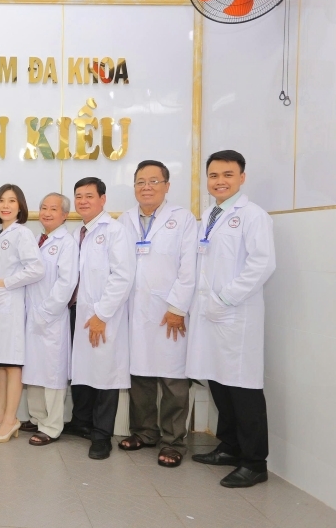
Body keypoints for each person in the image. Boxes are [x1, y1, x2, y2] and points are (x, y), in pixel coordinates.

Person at [186, 150, 276, 488]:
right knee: (219, 383)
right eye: (213, 175)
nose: (219, 181)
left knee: (243, 388)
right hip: (210, 314)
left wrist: (225, 298)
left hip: (236, 314)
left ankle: (254, 463)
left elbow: (262, 264)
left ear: (242, 177)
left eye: (227, 174)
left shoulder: (253, 216)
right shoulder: (210, 215)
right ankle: (230, 447)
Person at [117, 160, 197, 467]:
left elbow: (189, 268)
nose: (146, 187)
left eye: (153, 181)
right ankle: (144, 433)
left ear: (166, 186)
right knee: (140, 376)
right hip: (134, 310)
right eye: (140, 182)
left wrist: (177, 308)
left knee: (173, 378)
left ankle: (173, 441)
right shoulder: (125, 220)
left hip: (169, 311)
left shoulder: (182, 219)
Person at [66, 177, 135, 460]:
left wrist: (102, 314)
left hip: (103, 314)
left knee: (105, 374)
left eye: (89, 196)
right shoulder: (77, 233)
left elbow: (123, 276)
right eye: (78, 196)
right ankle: (80, 422)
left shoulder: (115, 231)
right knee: (82, 370)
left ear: (102, 199)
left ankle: (102, 435)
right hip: (78, 311)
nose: (83, 201)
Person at [0, 184, 44, 443]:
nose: (6, 205)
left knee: (12, 364)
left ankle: (11, 419)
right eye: (2, 201)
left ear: (20, 206)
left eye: (12, 201)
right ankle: (0, 416)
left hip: (12, 307)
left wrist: (6, 282)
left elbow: (36, 269)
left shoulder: (22, 233)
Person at [21, 193, 78, 446]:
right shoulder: (36, 239)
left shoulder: (67, 243)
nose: (46, 213)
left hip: (51, 318)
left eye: (53, 209)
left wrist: (45, 312)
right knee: (33, 369)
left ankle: (52, 426)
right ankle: (37, 417)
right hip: (31, 316)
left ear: (64, 215)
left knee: (52, 373)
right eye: (43, 208)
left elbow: (67, 283)